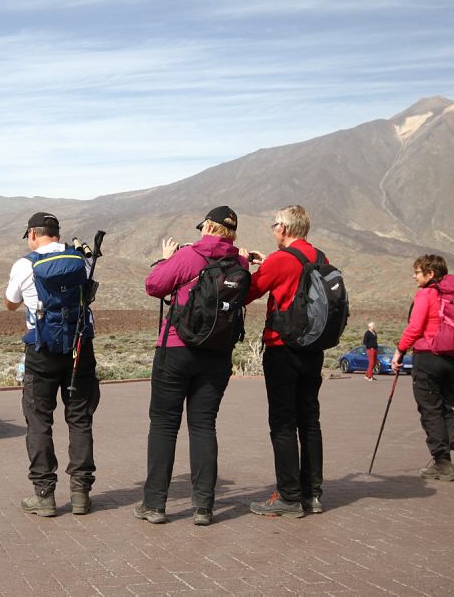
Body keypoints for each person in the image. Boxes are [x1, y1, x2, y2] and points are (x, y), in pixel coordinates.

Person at [134, 206, 249, 526]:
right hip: (217, 355)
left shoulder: (189, 257)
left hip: (176, 349)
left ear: (209, 227)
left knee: (164, 426)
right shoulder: (239, 263)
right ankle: (203, 507)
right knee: (203, 426)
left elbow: (154, 285)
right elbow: (245, 296)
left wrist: (167, 259)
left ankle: (155, 504)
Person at [5, 212, 100, 517]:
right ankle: (81, 493)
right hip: (79, 349)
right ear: (57, 234)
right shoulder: (80, 260)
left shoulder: (25, 264)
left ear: (32, 234)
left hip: (42, 350)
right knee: (80, 419)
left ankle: (44, 495)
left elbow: (10, 302)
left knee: (39, 421)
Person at [243, 205, 325, 518]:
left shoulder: (280, 260)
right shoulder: (319, 257)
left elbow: (249, 292)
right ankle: (312, 494)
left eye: (275, 224)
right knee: (310, 420)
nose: (273, 228)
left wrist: (253, 268)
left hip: (283, 349)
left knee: (282, 422)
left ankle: (289, 497)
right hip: (313, 349)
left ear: (285, 229)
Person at [391, 255, 454, 483]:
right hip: (451, 361)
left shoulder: (427, 294)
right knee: (445, 411)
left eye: (417, 272)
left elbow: (416, 327)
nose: (414, 276)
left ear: (430, 273)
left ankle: (442, 464)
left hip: (428, 359)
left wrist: (399, 351)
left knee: (431, 412)